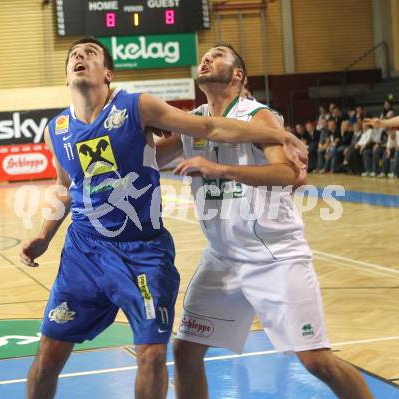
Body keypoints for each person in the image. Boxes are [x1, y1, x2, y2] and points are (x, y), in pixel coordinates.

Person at [19, 37, 306, 399]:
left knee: (153, 356)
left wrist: (277, 133)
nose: (80, 56)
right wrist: (44, 236)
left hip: (142, 252)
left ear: (107, 73)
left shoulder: (137, 106)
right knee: (47, 357)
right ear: (65, 77)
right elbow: (64, 186)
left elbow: (208, 128)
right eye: (74, 55)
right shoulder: (56, 129)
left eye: (90, 53)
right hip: (84, 252)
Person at [155, 43, 374, 399]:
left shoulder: (260, 116)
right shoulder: (192, 122)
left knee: (316, 360)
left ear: (238, 74)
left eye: (218, 54)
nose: (206, 58)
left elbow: (287, 172)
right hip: (223, 258)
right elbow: (147, 156)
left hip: (275, 255)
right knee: (185, 351)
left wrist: (221, 168)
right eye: (205, 55)